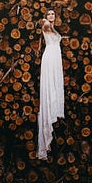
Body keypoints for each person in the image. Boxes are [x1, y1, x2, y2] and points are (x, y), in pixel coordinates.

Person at [36, 8, 65, 160]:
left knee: (55, 84)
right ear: (46, 16)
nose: (51, 16)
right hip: (50, 56)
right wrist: (45, 21)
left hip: (55, 57)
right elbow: (44, 26)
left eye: (53, 14)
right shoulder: (46, 24)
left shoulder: (53, 26)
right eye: (49, 14)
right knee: (49, 86)